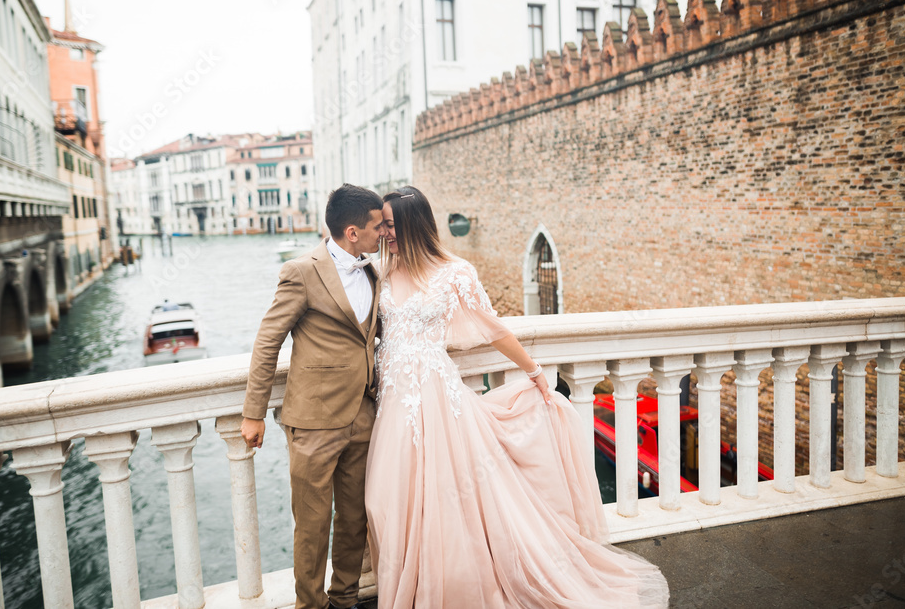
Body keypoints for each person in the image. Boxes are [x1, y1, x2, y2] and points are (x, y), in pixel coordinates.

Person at [365, 186, 670, 608]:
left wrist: (535, 371)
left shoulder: (455, 273)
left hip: (436, 395)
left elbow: (493, 329)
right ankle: (412, 584)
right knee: (387, 498)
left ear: (414, 225)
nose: (384, 232)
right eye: (382, 225)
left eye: (391, 225)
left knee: (447, 501)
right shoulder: (381, 271)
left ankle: (451, 587)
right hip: (393, 400)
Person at [241, 184, 386, 609]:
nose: (385, 234)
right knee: (312, 524)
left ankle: (344, 599)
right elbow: (268, 341)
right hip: (313, 420)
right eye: (379, 226)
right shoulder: (301, 271)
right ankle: (311, 604)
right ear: (353, 231)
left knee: (355, 519)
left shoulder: (372, 271)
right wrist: (253, 414)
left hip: (363, 412)